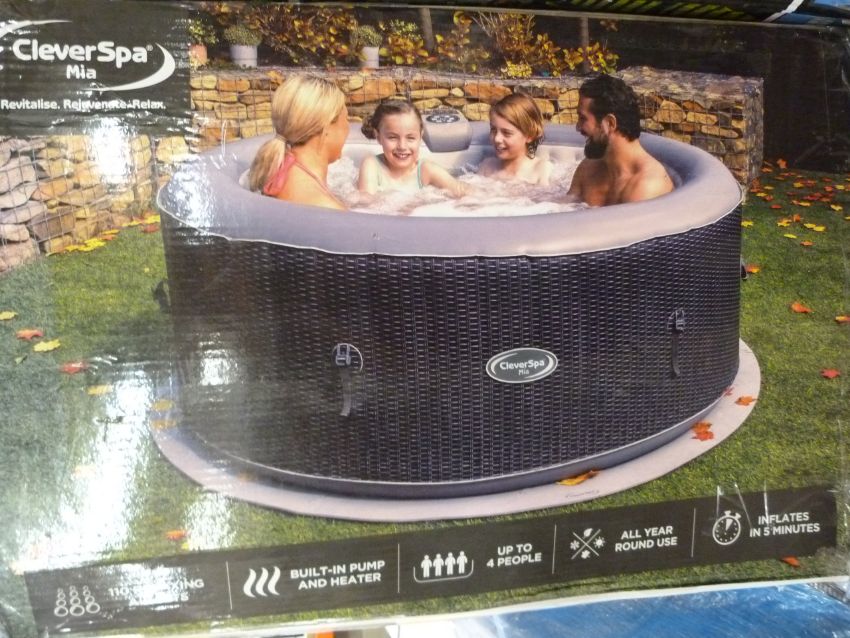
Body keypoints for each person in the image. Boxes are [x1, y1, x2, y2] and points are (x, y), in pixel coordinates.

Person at [567, 74, 673, 206]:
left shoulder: (646, 186)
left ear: (610, 123)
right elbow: (562, 211)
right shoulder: (588, 169)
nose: (578, 127)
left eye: (583, 118)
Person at [248, 75, 349, 210]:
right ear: (326, 130)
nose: (348, 128)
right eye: (346, 119)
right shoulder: (327, 208)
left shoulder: (278, 169)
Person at [358, 100, 466, 197]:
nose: (402, 146)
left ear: (420, 136)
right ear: (378, 137)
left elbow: (462, 191)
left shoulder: (425, 170)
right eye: (392, 137)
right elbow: (366, 204)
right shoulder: (372, 165)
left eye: (410, 138)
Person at [478, 93, 553, 186]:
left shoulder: (541, 169)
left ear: (529, 135)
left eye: (506, 133)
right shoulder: (487, 167)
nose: (497, 139)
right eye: (493, 130)